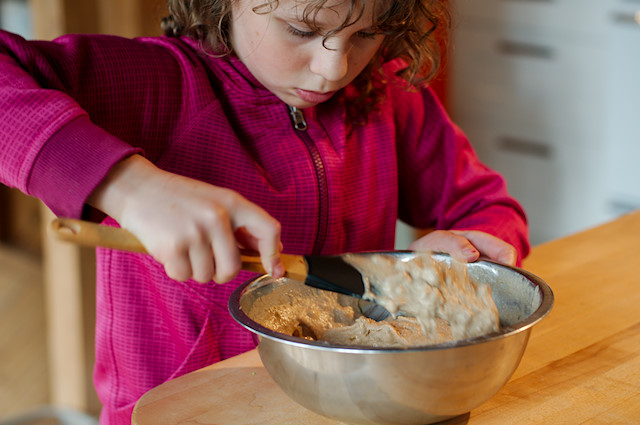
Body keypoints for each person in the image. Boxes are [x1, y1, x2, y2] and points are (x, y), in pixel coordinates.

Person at [0, 0, 529, 423]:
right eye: (300, 29)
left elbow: (489, 207)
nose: (332, 69)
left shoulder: (387, 94)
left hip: (356, 406)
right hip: (185, 409)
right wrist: (130, 187)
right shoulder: (157, 86)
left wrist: (472, 244)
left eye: (364, 36)